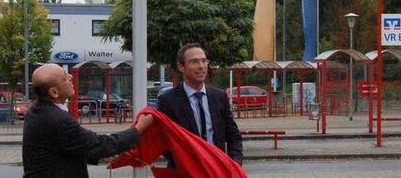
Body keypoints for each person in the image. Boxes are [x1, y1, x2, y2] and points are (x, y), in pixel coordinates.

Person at [22, 64, 154, 178]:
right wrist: (138, 129)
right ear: (54, 92)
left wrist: (99, 155)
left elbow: (68, 147)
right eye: (65, 77)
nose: (71, 77)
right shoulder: (56, 119)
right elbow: (100, 144)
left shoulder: (38, 109)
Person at [158, 43, 243, 165]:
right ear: (181, 67)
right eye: (194, 62)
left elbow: (233, 135)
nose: (201, 66)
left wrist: (234, 165)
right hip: (186, 172)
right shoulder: (168, 100)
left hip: (217, 170)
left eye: (204, 61)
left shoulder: (219, 96)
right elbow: (165, 143)